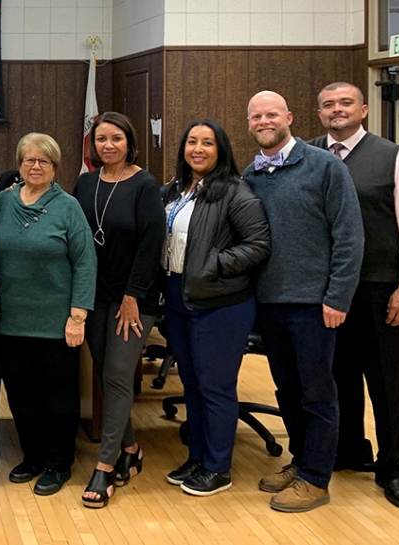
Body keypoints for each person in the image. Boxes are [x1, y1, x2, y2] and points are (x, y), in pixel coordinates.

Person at [310, 82, 399, 510]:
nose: (337, 110)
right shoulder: (309, 155)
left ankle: (393, 468)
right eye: (328, 105)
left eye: (345, 103)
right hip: (325, 289)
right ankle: (349, 450)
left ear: (363, 109)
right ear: (319, 113)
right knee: (336, 373)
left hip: (381, 286)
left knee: (383, 379)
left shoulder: (392, 157)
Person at [243, 90, 363, 513]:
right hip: (269, 304)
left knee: (317, 393)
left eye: (271, 114)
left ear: (289, 117)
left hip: (314, 304)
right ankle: (301, 461)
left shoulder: (325, 167)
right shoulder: (252, 175)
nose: (263, 121)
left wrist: (337, 297)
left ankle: (317, 478)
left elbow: (349, 236)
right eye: (256, 116)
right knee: (287, 391)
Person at [160, 120, 271, 497]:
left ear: (220, 149)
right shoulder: (175, 190)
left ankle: (218, 466)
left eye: (208, 143)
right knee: (191, 383)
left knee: (216, 386)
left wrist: (215, 265)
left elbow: (258, 245)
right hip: (178, 298)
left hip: (221, 303)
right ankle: (197, 457)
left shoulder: (236, 192)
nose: (198, 149)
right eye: (192, 141)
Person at [0, 133, 96, 496]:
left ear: (55, 167)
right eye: (29, 161)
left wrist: (77, 316)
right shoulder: (3, 202)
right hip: (10, 321)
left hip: (56, 324)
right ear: (19, 165)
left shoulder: (68, 207)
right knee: (21, 395)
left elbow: (85, 264)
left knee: (59, 397)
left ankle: (58, 463)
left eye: (44, 161)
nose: (36, 167)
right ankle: (32, 456)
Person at [73, 112, 165, 507]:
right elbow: (78, 239)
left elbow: (151, 244)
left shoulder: (145, 184)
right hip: (94, 295)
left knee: (116, 374)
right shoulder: (85, 183)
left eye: (116, 139)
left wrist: (133, 295)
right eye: (101, 140)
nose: (108, 146)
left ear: (129, 142)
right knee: (106, 376)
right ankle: (131, 449)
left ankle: (105, 467)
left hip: (133, 299)